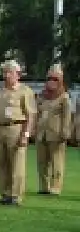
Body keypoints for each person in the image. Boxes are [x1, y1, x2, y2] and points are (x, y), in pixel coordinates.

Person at [0, 60, 35, 206]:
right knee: (2, 163)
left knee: (16, 164)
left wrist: (26, 134)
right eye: (4, 72)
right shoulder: (0, 92)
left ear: (18, 74)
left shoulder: (25, 91)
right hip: (0, 128)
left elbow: (30, 115)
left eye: (9, 72)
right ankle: (5, 193)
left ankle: (16, 195)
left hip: (16, 128)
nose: (6, 75)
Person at [35, 64, 71, 196]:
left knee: (57, 161)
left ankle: (56, 187)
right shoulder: (41, 96)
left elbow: (67, 116)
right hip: (41, 133)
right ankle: (44, 186)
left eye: (55, 79)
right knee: (42, 162)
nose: (52, 81)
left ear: (60, 79)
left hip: (56, 133)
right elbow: (36, 113)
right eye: (50, 78)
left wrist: (65, 131)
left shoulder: (64, 97)